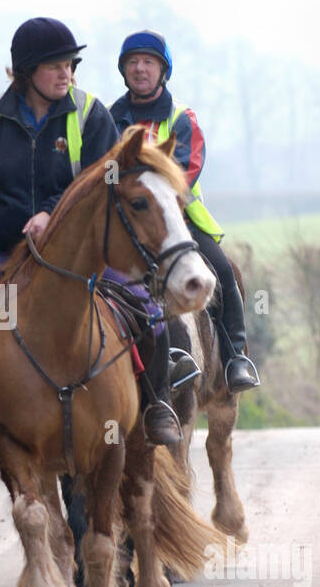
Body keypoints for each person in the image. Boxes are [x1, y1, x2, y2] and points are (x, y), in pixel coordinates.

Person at [0, 17, 181, 463]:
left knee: (149, 311)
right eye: (55, 66)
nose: (66, 73)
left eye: (70, 64)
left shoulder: (91, 115)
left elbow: (104, 177)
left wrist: (53, 210)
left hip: (83, 252)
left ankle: (156, 403)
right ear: (27, 72)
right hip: (1, 255)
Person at [109, 29, 260, 393]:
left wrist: (145, 186)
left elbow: (184, 172)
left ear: (163, 71)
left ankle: (234, 355)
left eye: (148, 62)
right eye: (133, 63)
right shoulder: (109, 118)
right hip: (126, 221)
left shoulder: (182, 118)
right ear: (124, 70)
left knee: (222, 269)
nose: (140, 69)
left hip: (179, 218)